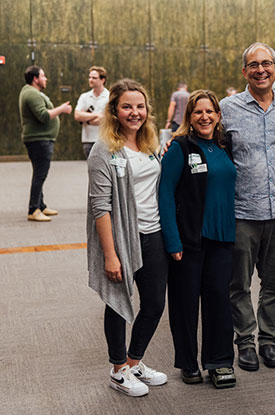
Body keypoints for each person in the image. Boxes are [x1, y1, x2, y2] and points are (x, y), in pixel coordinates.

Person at [87, 79, 168, 397]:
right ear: (114, 110)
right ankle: (118, 369)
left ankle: (135, 362)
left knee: (154, 304)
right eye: (127, 107)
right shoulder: (103, 150)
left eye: (140, 106)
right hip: (122, 238)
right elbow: (100, 206)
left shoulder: (149, 144)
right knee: (119, 304)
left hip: (154, 235)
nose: (135, 113)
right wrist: (110, 255)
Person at [220, 42, 275, 371]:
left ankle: (269, 340)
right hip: (242, 213)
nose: (261, 70)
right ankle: (245, 341)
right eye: (254, 65)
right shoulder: (227, 108)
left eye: (267, 64)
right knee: (239, 283)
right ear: (244, 71)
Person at [158, 90, 237, 389]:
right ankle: (188, 363)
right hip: (189, 240)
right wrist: (172, 241)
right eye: (198, 112)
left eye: (210, 112)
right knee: (185, 303)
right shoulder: (179, 147)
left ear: (218, 116)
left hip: (223, 238)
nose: (205, 117)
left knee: (219, 302)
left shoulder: (224, 145)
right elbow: (164, 195)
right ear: (189, 117)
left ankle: (219, 363)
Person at [18, 66, 72, 222]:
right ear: (35, 79)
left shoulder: (31, 92)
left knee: (39, 173)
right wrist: (61, 109)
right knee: (40, 175)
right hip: (38, 140)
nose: (46, 78)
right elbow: (43, 115)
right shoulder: (31, 94)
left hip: (40, 139)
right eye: (43, 76)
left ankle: (40, 205)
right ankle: (33, 209)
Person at [74, 66, 109, 158]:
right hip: (88, 139)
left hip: (104, 139)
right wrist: (97, 115)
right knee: (91, 168)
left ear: (103, 80)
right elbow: (77, 115)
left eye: (94, 78)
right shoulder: (84, 97)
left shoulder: (109, 97)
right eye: (89, 77)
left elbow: (106, 119)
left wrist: (86, 118)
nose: (90, 80)